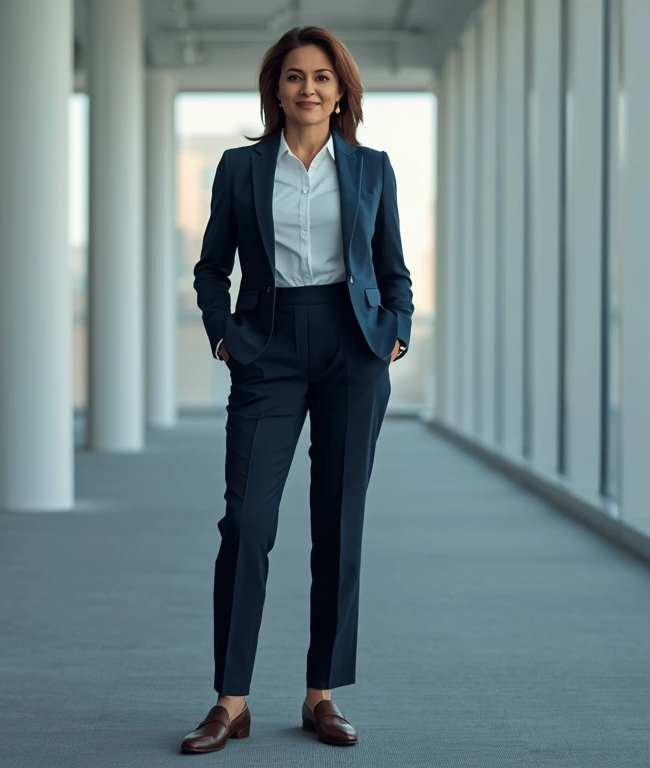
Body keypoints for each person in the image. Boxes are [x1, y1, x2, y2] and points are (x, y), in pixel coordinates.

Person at [179, 25, 414, 755]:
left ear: (340, 92)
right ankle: (231, 701)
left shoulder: (372, 168)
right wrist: (224, 335)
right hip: (268, 347)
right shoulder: (240, 167)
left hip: (353, 349)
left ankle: (322, 694)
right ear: (275, 91)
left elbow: (393, 267)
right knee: (247, 523)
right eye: (293, 77)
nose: (307, 88)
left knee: (339, 523)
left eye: (321, 77)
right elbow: (211, 267)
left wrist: (397, 329)